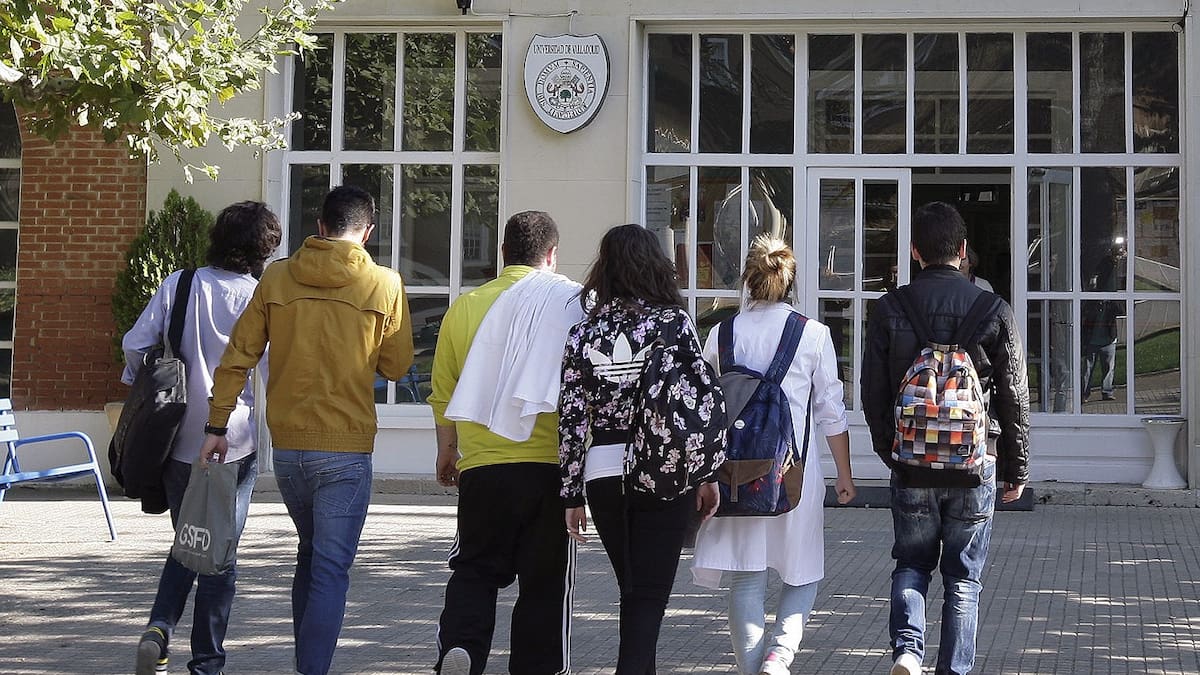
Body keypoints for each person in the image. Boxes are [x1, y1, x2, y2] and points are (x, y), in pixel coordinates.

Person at [197, 185, 414, 675]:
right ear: (367, 232)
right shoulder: (384, 283)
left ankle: (305, 661)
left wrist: (217, 424)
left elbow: (237, 357)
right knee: (331, 568)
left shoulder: (276, 277)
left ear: (320, 227)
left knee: (311, 555)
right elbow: (397, 366)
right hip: (345, 448)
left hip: (290, 449)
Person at [861, 202, 1030, 675]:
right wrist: (1016, 468)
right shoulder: (994, 309)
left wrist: (892, 452)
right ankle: (953, 669)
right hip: (974, 461)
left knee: (911, 563)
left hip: (912, 460)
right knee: (963, 578)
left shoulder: (890, 308)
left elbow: (873, 392)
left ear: (914, 251)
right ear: (963, 250)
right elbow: (1015, 395)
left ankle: (907, 652)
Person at [126, 201, 281, 675]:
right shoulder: (259, 296)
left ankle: (159, 628)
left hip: (176, 437)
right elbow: (274, 370)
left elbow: (135, 344)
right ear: (263, 249)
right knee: (218, 555)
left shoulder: (180, 283)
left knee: (189, 541)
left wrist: (144, 384)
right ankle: (207, 661)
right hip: (234, 440)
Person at [559, 223, 721, 674]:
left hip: (602, 472)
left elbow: (571, 418)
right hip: (663, 470)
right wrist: (706, 474)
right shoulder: (673, 324)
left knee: (634, 591)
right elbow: (696, 407)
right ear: (655, 267)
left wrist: (570, 494)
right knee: (647, 595)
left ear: (605, 270)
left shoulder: (583, 333)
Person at [691, 234, 856, 675]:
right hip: (793, 475)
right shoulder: (813, 335)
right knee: (802, 571)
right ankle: (779, 656)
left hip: (735, 474)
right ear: (791, 282)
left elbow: (705, 409)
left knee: (747, 578)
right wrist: (844, 474)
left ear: (747, 279)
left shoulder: (722, 334)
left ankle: (753, 670)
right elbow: (831, 411)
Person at [429, 210, 580, 675]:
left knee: (474, 569)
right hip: (550, 468)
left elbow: (444, 391)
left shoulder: (466, 306)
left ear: (502, 253)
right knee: (545, 584)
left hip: (484, 466)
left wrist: (448, 450)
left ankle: (462, 646)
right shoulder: (571, 303)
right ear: (552, 254)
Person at [1081, 241, 1125, 403]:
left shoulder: (1111, 303)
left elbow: (1121, 310)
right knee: (1089, 368)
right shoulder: (1093, 303)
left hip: (1107, 337)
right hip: (1096, 338)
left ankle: (1105, 391)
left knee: (1106, 367)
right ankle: (1085, 393)